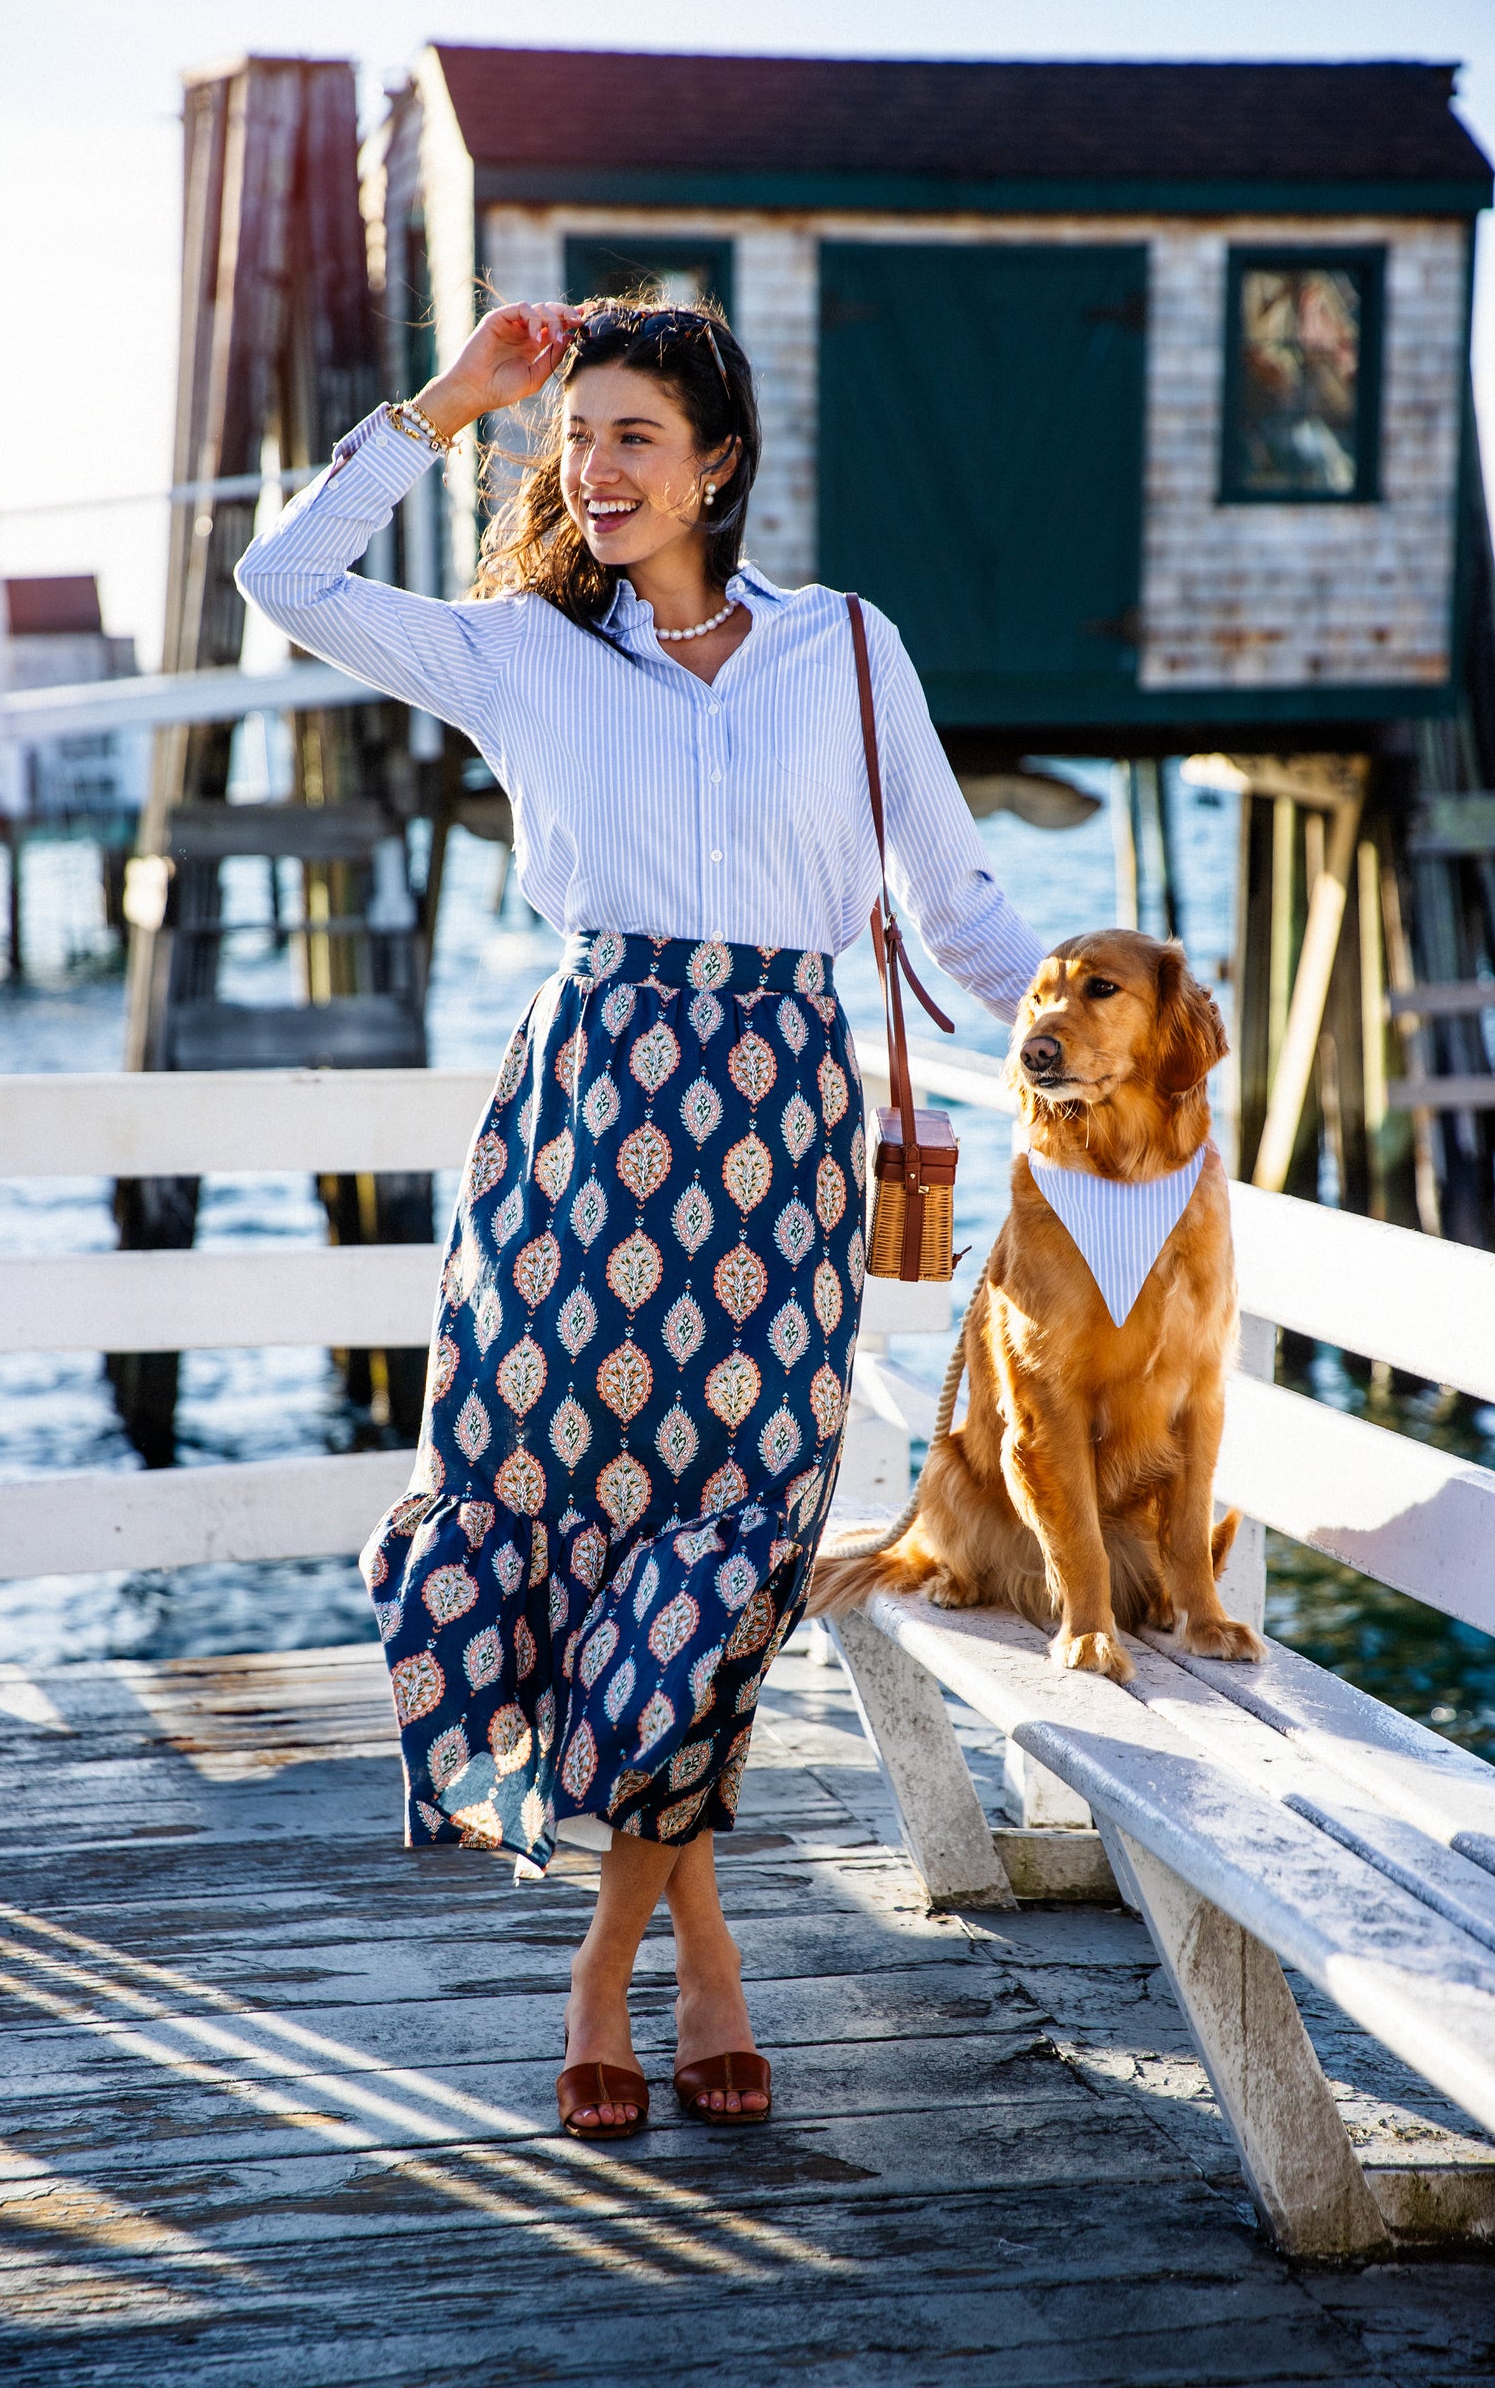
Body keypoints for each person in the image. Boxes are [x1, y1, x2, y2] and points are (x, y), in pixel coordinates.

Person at [236, 295, 1044, 2139]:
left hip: (774, 1130)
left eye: (632, 441)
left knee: (730, 1555)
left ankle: (620, 1969)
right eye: (578, 440)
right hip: (582, 1129)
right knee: (574, 1536)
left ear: (719, 465)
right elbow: (284, 575)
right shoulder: (522, 652)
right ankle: (693, 1965)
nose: (593, 472)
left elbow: (971, 911)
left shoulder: (846, 652)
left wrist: (1110, 1041)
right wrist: (455, 401)